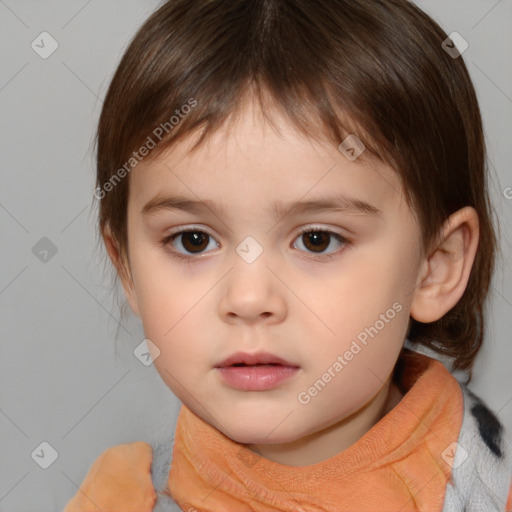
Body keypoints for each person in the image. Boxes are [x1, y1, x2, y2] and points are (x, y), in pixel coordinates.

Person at [63, 0, 512, 510]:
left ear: (435, 266)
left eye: (317, 239)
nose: (249, 298)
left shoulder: (492, 489)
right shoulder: (122, 497)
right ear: (127, 270)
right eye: (193, 240)